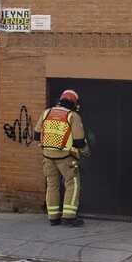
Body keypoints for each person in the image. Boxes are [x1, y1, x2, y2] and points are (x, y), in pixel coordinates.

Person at [34, 90, 90, 226]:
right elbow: (79, 141)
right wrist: (86, 151)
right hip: (66, 158)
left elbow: (36, 135)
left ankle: (53, 218)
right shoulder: (73, 116)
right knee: (73, 184)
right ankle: (69, 217)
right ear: (74, 103)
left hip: (47, 156)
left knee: (52, 185)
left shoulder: (46, 113)